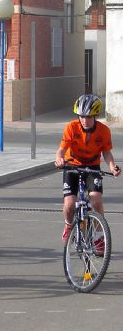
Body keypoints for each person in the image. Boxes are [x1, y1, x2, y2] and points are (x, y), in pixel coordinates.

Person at [54, 94, 120, 242]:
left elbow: (106, 152)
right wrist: (59, 159)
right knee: (70, 204)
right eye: (81, 116)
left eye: (89, 117)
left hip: (92, 167)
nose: (84, 120)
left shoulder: (104, 131)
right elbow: (61, 150)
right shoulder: (71, 127)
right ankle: (69, 225)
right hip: (72, 166)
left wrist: (112, 166)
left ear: (95, 116)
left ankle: (99, 236)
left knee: (96, 201)